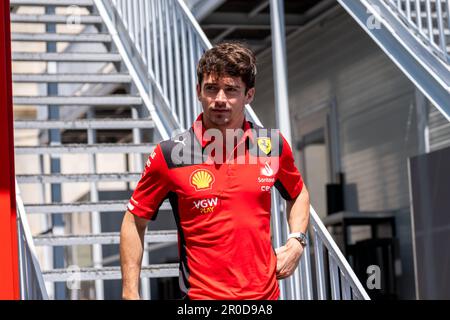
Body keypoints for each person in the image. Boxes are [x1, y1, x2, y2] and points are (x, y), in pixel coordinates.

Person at [120, 42, 310, 300]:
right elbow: (134, 220)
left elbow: (297, 194)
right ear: (199, 91)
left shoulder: (272, 146)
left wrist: (296, 242)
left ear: (249, 95)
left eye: (231, 90)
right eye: (212, 88)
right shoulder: (170, 155)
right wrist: (130, 293)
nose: (220, 99)